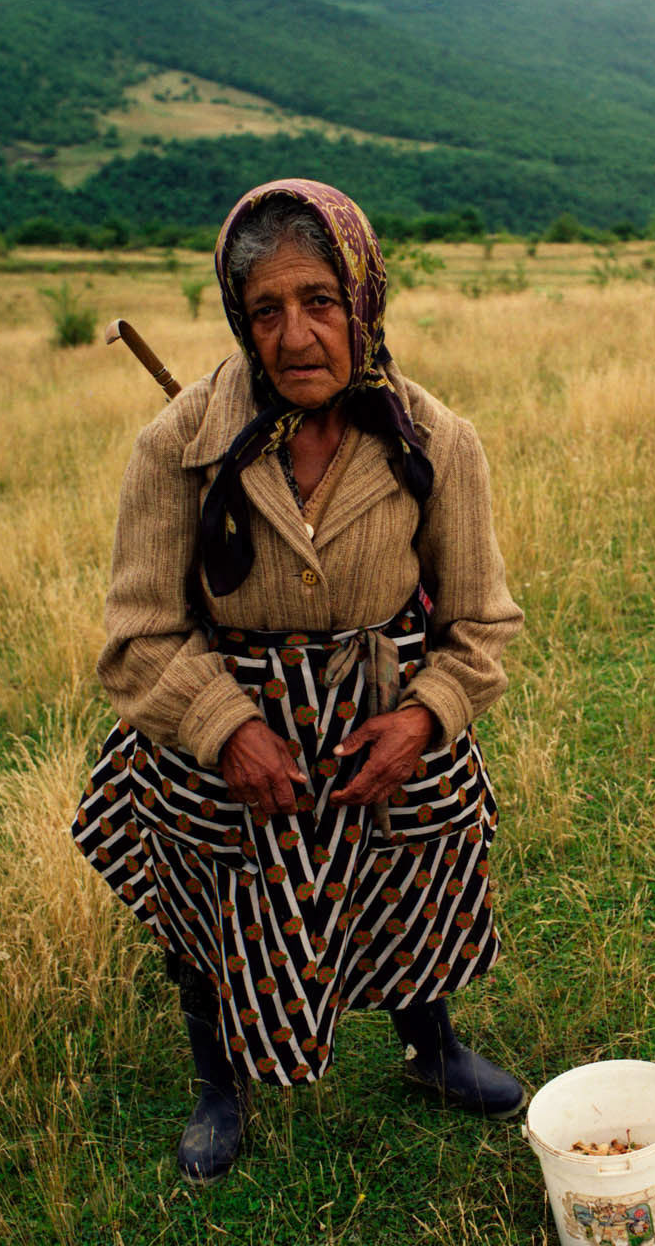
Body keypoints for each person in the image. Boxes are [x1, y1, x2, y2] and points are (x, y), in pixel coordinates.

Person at [72, 178, 524, 1184]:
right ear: (240, 320)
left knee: (411, 882)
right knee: (211, 899)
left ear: (362, 299)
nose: (296, 335)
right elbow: (139, 636)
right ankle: (218, 1082)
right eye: (265, 309)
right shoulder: (178, 445)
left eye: (320, 300)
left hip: (382, 723)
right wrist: (227, 728)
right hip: (223, 733)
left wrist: (425, 717)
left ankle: (431, 1045)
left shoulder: (434, 440)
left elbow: (480, 622)